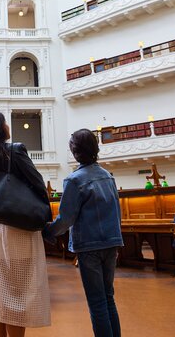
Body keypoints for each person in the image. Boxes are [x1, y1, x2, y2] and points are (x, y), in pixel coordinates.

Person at [0, 109, 51, 337]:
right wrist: (43, 219)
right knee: (18, 294)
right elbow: (38, 185)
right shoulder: (15, 151)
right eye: (5, 122)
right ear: (0, 128)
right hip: (19, 228)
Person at [44, 129, 124, 337]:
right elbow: (117, 210)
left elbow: (66, 218)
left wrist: (48, 231)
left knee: (97, 302)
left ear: (74, 151)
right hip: (111, 242)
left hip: (89, 246)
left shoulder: (74, 180)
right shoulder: (108, 176)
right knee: (108, 297)